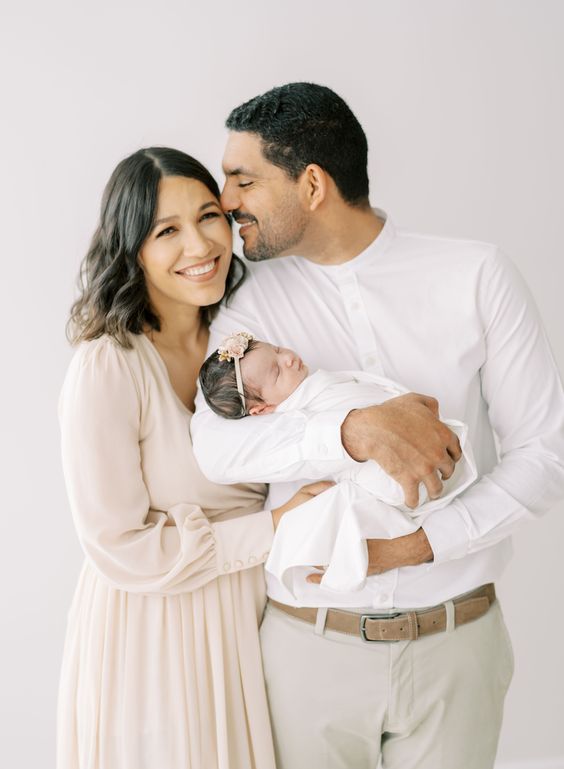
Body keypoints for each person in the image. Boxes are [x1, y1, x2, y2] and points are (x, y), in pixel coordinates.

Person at [191, 83, 564, 769]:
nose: (225, 201)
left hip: (458, 650)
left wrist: (416, 546)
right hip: (308, 653)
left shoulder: (475, 274)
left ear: (311, 185)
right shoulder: (249, 305)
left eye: (243, 180)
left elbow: (546, 454)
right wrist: (351, 430)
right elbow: (214, 446)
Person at [56, 146, 327, 769]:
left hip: (246, 626)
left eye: (209, 216)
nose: (200, 245)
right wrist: (273, 530)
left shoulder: (243, 345)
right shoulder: (109, 364)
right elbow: (117, 542)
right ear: (132, 249)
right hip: (148, 634)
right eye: (167, 231)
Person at [199, 333, 477, 597]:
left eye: (278, 349)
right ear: (262, 410)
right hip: (388, 478)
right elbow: (213, 455)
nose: (288, 359)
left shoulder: (311, 385)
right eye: (276, 372)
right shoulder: (293, 414)